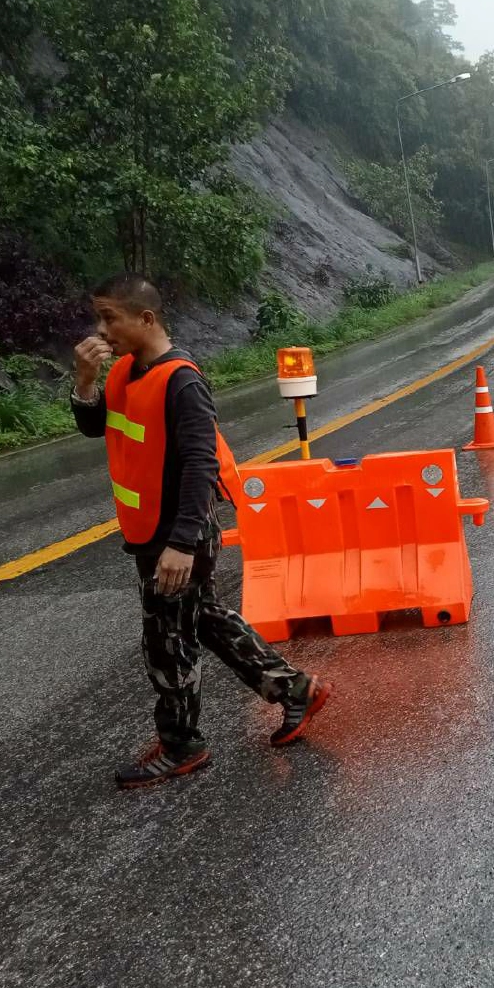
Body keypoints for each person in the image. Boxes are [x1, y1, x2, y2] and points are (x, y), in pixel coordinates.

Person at [71, 273, 332, 788]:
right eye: (98, 316)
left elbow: (199, 463)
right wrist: (84, 382)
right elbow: (94, 425)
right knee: (205, 619)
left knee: (167, 641)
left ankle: (181, 744)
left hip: (177, 536)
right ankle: (294, 690)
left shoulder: (183, 381)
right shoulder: (124, 370)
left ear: (146, 319)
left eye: (109, 317)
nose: (101, 328)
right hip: (151, 531)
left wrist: (181, 543)